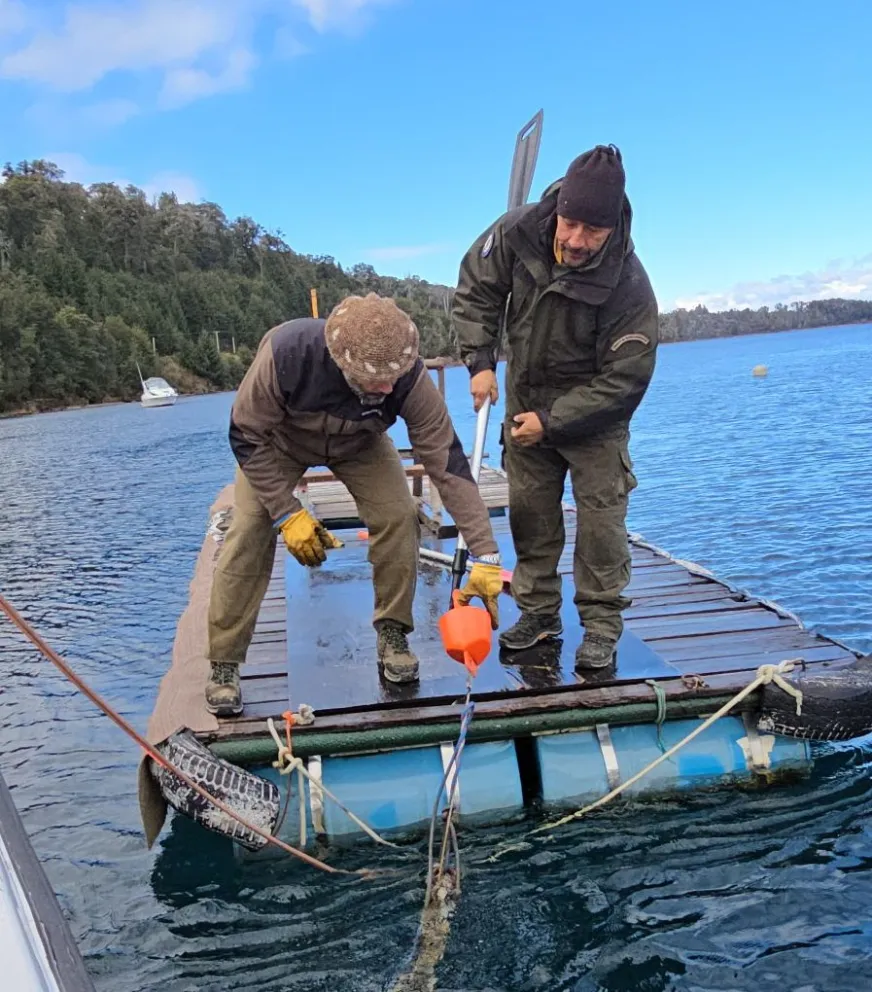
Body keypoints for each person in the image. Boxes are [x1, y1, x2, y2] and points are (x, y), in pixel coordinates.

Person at [205, 292, 504, 716]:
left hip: (361, 443)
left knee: (399, 514)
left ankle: (393, 633)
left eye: (393, 378)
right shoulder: (287, 354)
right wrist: (288, 513)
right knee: (249, 528)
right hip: (277, 444)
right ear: (340, 360)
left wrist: (486, 552)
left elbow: (447, 462)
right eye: (374, 380)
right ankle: (224, 662)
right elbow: (244, 434)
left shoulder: (408, 377)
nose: (387, 388)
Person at [451, 144, 658, 670]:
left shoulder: (628, 283)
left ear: (612, 228)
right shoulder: (517, 231)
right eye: (570, 224)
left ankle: (602, 625)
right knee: (531, 517)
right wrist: (479, 361)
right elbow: (476, 290)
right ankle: (540, 614)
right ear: (559, 206)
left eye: (593, 232)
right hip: (525, 399)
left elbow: (625, 381)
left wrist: (555, 420)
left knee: (602, 528)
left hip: (594, 417)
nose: (576, 241)